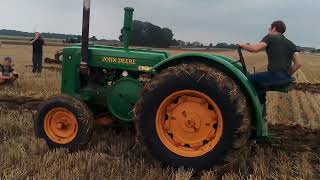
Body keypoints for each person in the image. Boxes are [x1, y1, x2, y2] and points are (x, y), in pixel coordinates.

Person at [239, 20, 302, 105]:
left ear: (274, 29)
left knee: (247, 80)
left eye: (269, 29)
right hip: (286, 77)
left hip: (274, 75)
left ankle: (254, 106)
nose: (269, 31)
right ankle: (261, 106)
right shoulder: (290, 43)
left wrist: (242, 45)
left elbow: (255, 48)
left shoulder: (270, 37)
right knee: (261, 83)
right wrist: (286, 74)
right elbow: (298, 63)